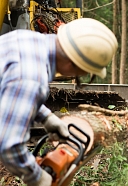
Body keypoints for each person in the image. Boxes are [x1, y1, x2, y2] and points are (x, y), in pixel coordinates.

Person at [0, 18, 118, 186]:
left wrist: (46, 117)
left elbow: (9, 92)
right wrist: (38, 178)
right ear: (72, 63)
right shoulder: (32, 78)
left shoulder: (25, 39)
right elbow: (8, 145)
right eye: (85, 73)